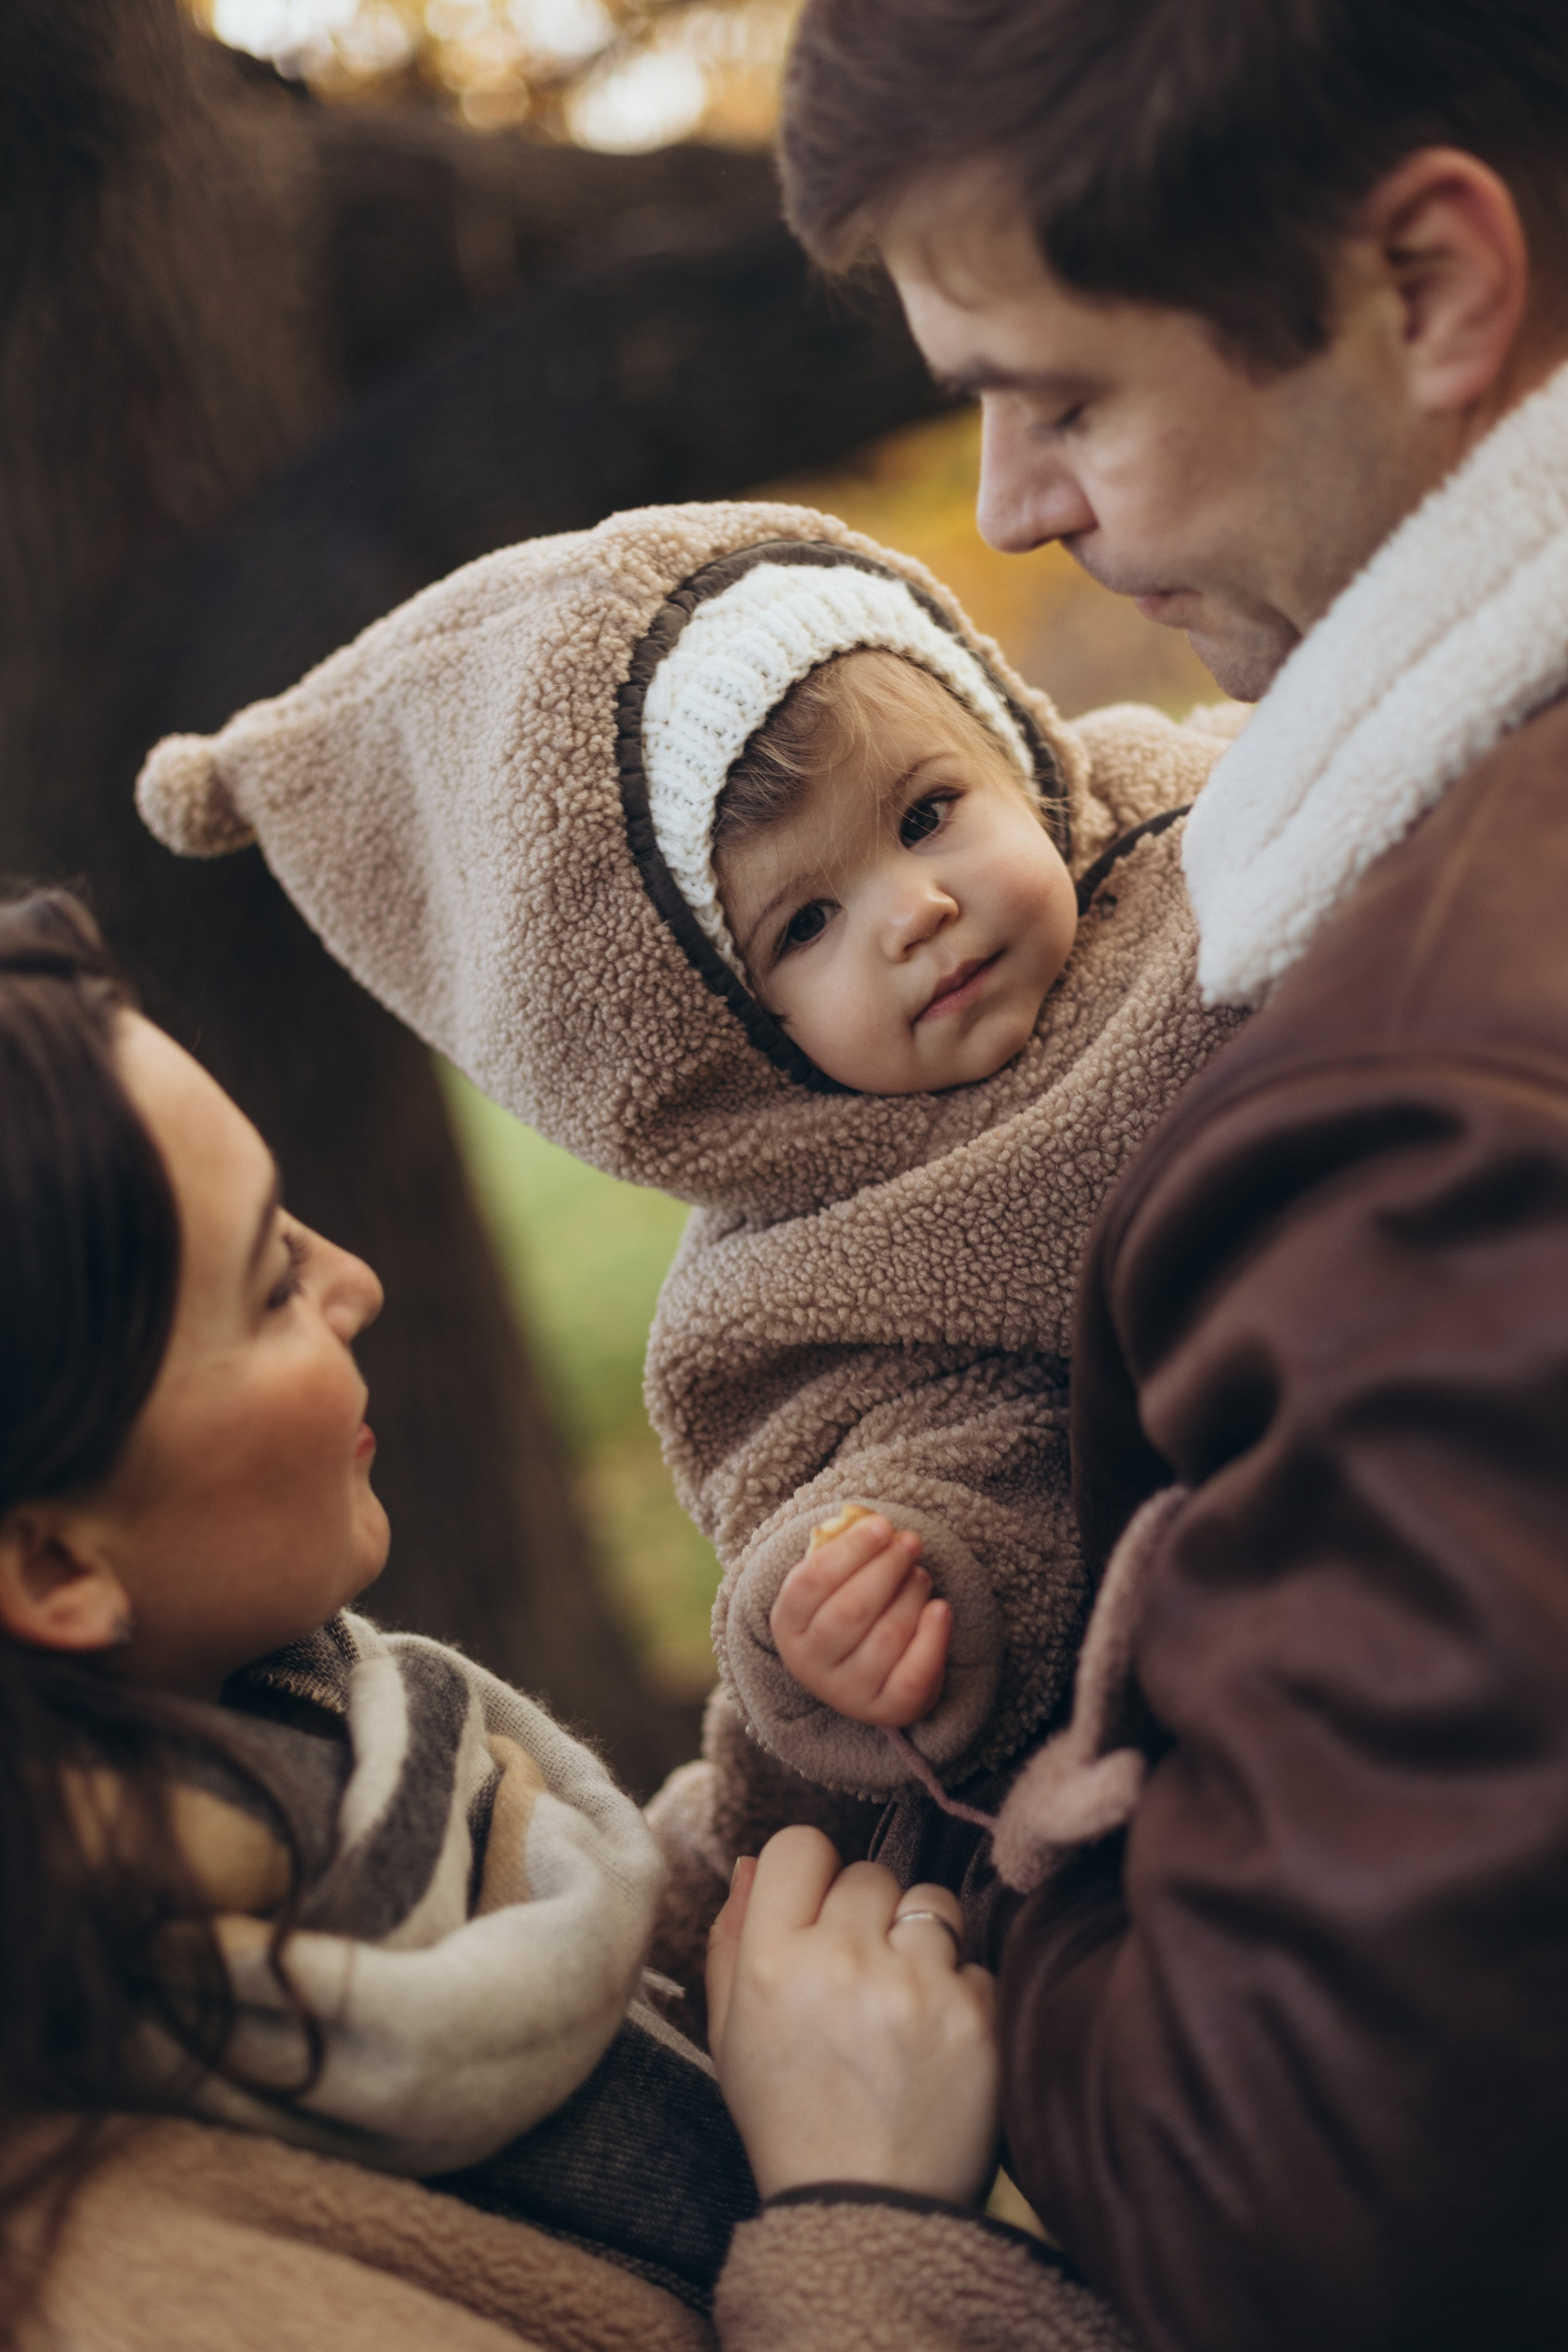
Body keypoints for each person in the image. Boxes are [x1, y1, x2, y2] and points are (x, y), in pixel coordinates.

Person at [771, 2, 1568, 2347]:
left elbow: (1294, 2205)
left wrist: (1011, 1906)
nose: (1011, 504)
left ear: (1429, 286)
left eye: (1063, 396)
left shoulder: (1433, 1099)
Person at [131, 497, 1241, 1994]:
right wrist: (886, 1599)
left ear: (1011, 747)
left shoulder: (1204, 829)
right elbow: (939, 1463)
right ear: (719, 1046)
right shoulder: (818, 1276)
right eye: (806, 925)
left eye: (928, 814)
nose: (915, 912)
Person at [0, 886, 1107, 2351]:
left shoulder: (320, 1755)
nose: (357, 1282)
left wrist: (825, 1731)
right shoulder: (105, 2276)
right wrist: (865, 2211)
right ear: (55, 1569)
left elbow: (603, 1986)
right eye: (270, 1285)